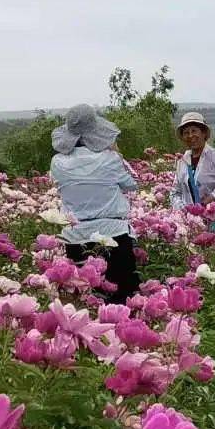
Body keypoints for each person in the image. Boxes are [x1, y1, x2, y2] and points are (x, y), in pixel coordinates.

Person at [50, 104, 140, 304]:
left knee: (86, 304)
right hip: (113, 235)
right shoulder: (109, 159)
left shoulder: (57, 162)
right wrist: (117, 153)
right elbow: (133, 183)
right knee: (122, 302)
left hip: (76, 239)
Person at [170, 112, 215, 231]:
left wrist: (213, 196)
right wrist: (182, 209)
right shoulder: (182, 161)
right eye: (186, 133)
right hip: (191, 225)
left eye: (194, 131)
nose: (190, 136)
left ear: (203, 133)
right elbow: (175, 192)